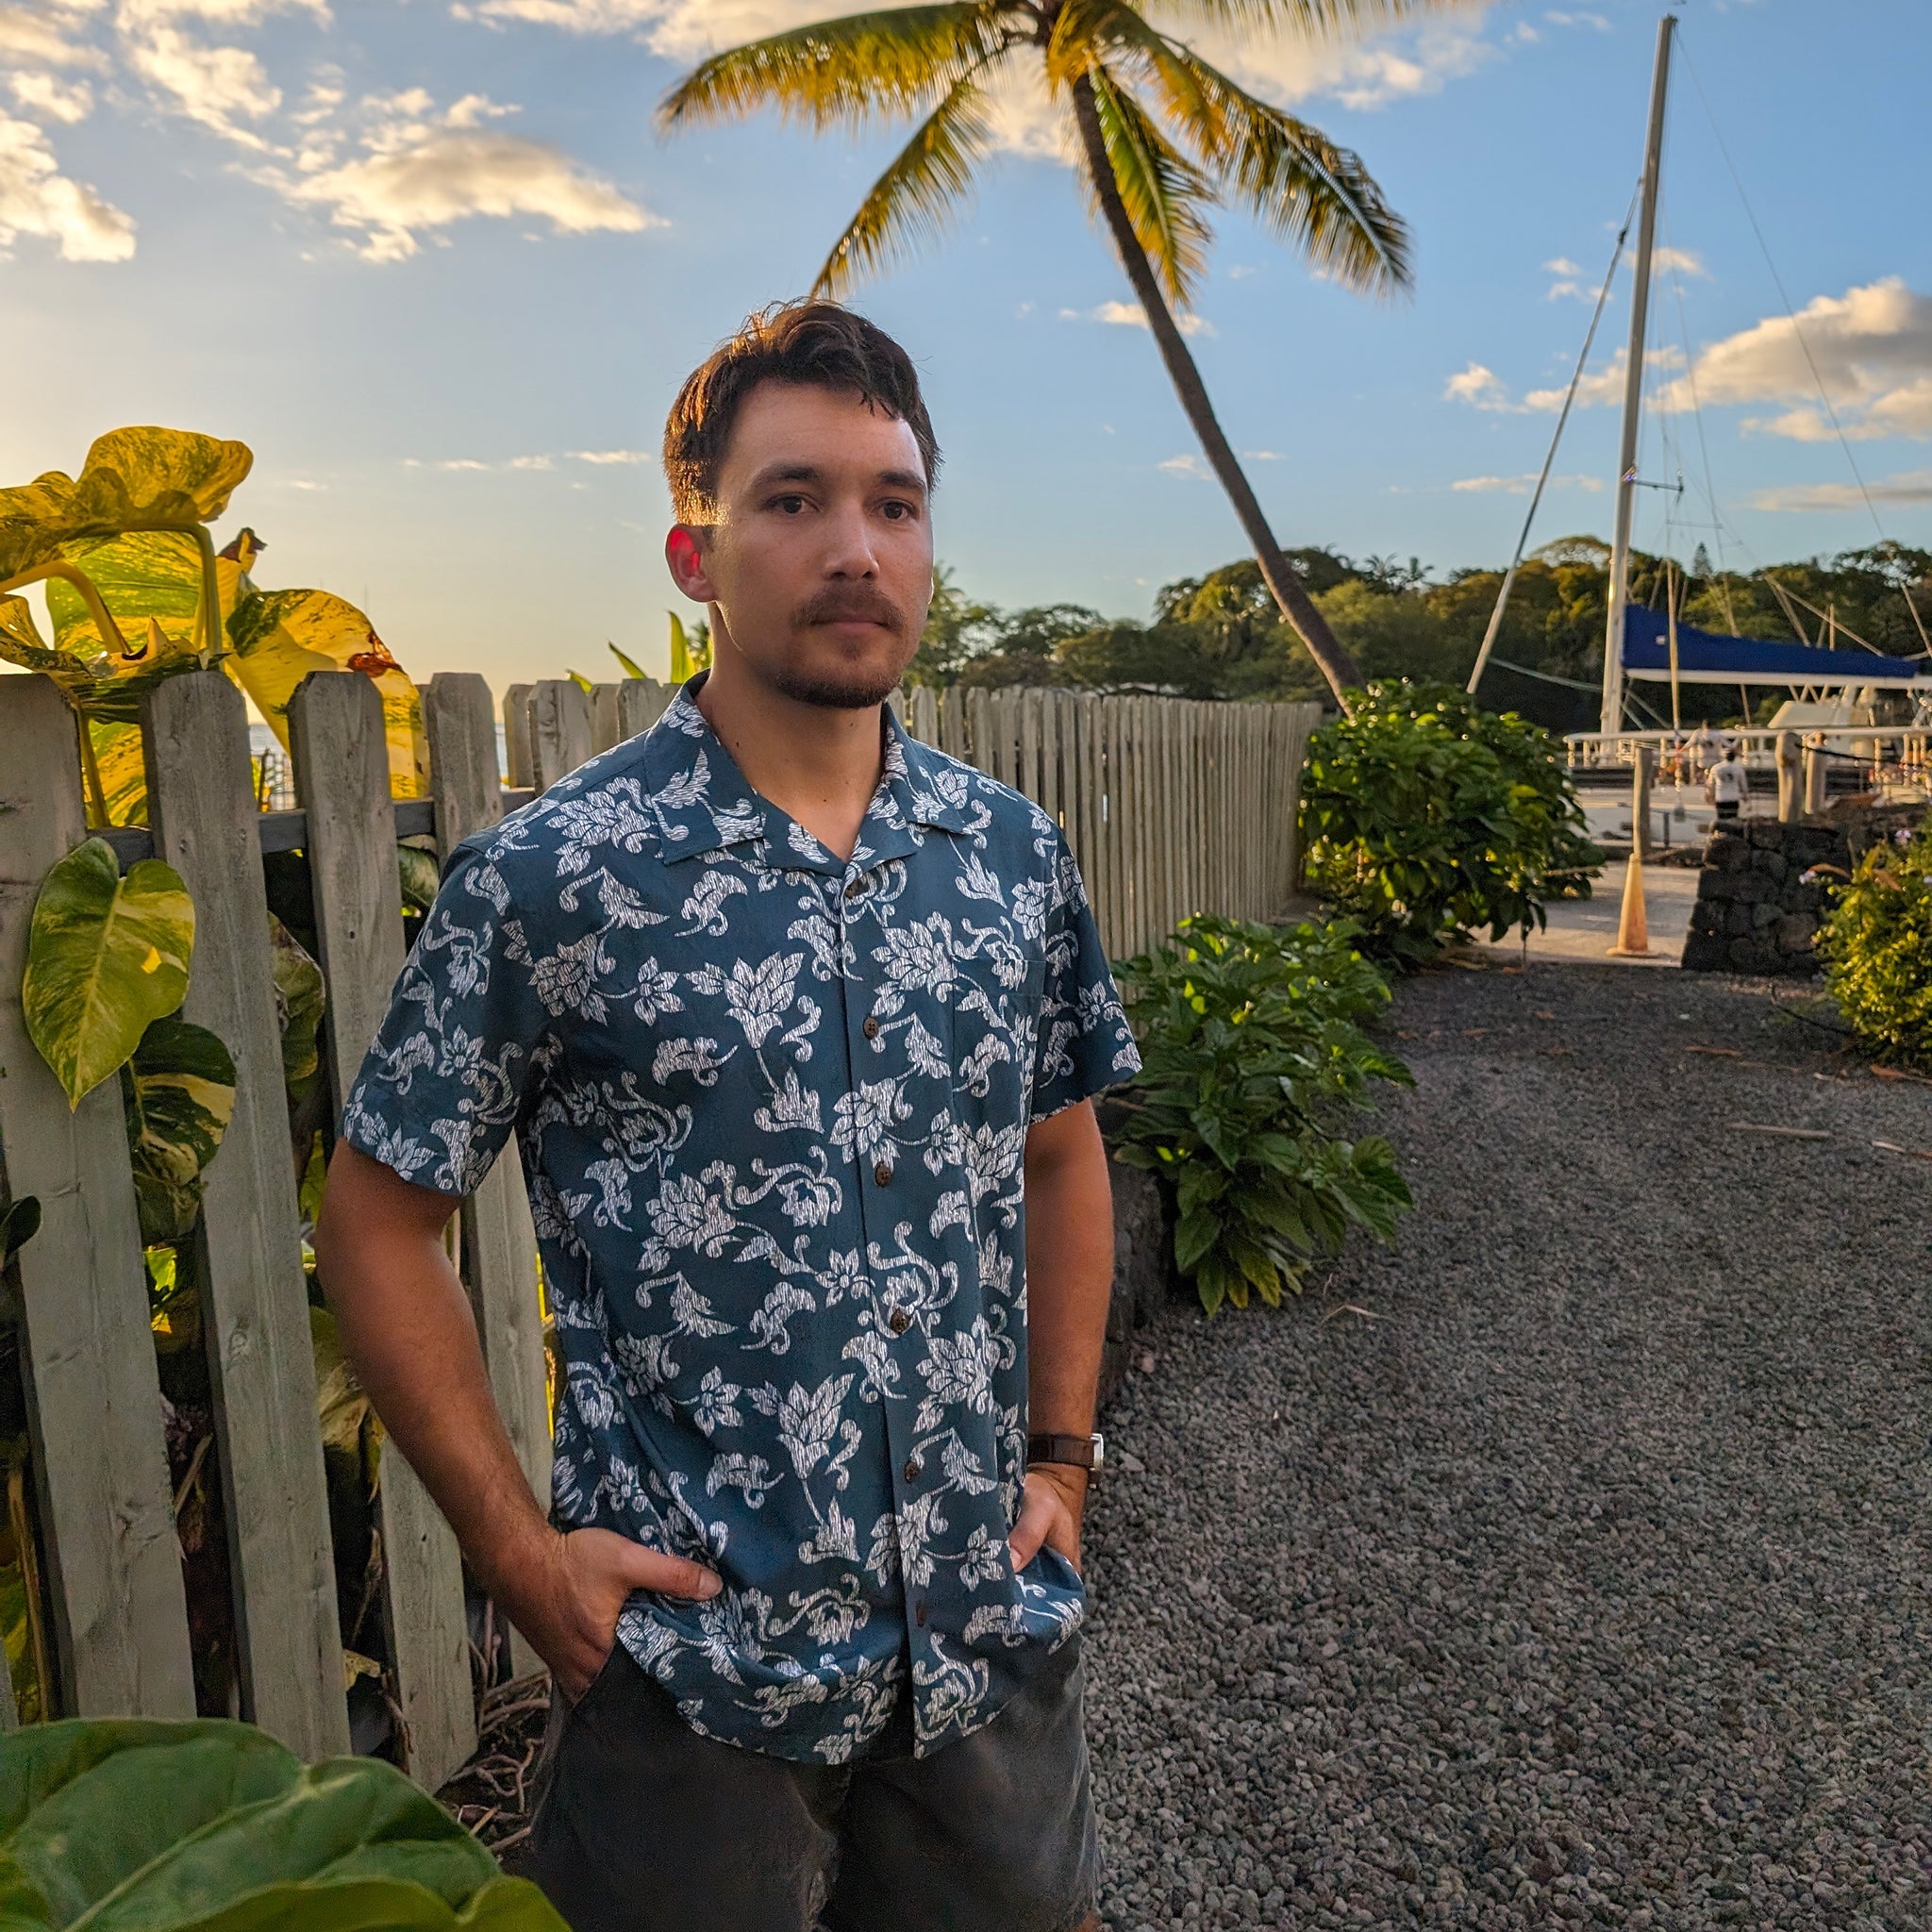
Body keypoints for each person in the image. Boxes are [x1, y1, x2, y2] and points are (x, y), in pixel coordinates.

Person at [313, 300, 1138, 1932]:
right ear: (694, 555)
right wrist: (520, 1556)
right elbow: (375, 1217)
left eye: (892, 504)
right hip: (692, 1684)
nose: (854, 547)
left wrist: (1060, 1456)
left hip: (979, 1641)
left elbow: (1059, 1148)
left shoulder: (1006, 858)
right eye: (794, 499)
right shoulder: (555, 876)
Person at [1707, 741, 1751, 820]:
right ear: (1734, 757)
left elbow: (1711, 785)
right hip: (1733, 798)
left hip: (1721, 798)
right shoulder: (1739, 769)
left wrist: (1710, 796)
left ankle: (1721, 831)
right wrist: (1746, 798)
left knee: (1721, 820)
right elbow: (1743, 786)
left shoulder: (1716, 768)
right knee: (1733, 821)